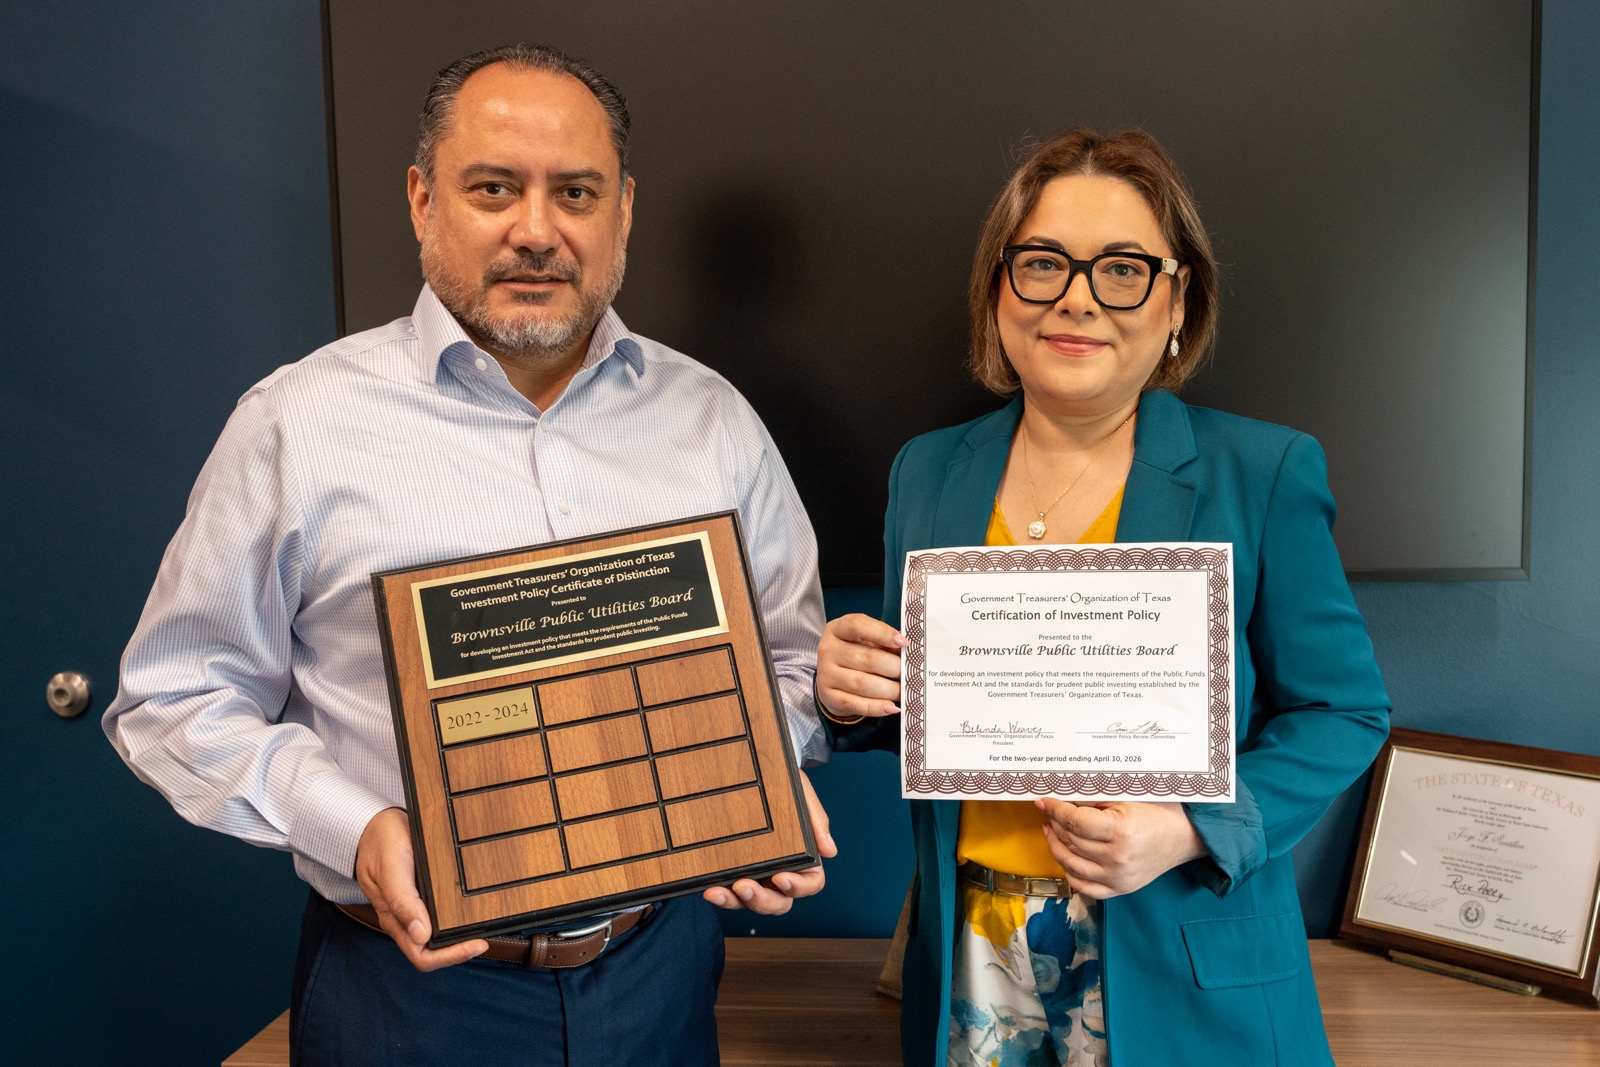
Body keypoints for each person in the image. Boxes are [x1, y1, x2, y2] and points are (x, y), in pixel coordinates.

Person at [103, 42, 833, 1066]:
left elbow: (791, 660)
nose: (535, 230)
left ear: (621, 210)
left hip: (658, 974)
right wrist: (354, 826)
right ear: (420, 199)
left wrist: (754, 772)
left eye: (574, 192)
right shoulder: (295, 424)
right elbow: (172, 698)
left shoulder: (712, 421)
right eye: (493, 187)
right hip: (407, 997)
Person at [816, 128, 1390, 1066]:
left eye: (1123, 268)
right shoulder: (928, 473)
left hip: (1184, 960)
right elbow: (928, 709)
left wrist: (1186, 828)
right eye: (1042, 262)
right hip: (972, 954)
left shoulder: (1264, 470)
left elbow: (1344, 711)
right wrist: (849, 693)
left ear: (1177, 300)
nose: (1076, 295)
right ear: (999, 291)